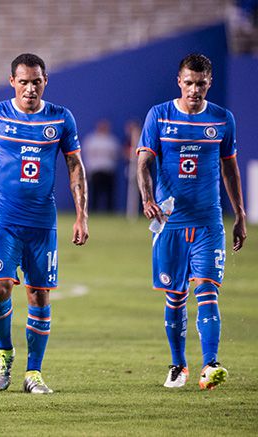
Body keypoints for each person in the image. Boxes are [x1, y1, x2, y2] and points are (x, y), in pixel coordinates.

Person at [0, 53, 89, 395]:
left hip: (43, 224)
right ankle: (4, 351)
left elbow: (75, 167)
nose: (30, 88)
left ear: (45, 81)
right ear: (12, 82)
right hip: (6, 221)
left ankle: (34, 372)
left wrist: (81, 215)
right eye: (23, 82)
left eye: (36, 82)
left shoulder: (61, 118)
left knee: (38, 294)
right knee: (0, 287)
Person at [136, 53, 246, 390]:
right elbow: (142, 163)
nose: (194, 89)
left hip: (207, 223)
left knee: (208, 290)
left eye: (200, 83)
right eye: (189, 83)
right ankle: (178, 365)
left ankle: (210, 364)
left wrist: (240, 213)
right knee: (175, 296)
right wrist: (147, 198)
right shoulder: (159, 116)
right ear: (179, 82)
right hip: (170, 224)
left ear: (209, 83)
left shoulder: (222, 119)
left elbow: (230, 168)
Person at [83, 119, 120, 212]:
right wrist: (88, 169)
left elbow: (116, 156)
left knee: (109, 194)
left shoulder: (112, 140)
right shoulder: (91, 140)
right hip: (96, 170)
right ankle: (93, 211)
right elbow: (87, 155)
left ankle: (109, 212)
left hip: (108, 170)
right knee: (94, 193)